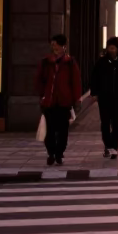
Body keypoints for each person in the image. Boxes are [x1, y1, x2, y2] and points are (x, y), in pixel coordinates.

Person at [34, 34, 82, 167]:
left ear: (63, 46)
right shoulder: (45, 62)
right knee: (49, 130)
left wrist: (76, 99)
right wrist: (42, 95)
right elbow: (39, 81)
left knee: (63, 130)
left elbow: (76, 82)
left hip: (64, 101)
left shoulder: (70, 62)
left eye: (56, 45)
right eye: (52, 45)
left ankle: (59, 153)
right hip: (48, 102)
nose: (54, 47)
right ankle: (51, 153)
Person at [89, 37, 118, 158]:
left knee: (116, 123)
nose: (111, 50)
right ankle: (107, 145)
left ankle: (114, 146)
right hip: (104, 97)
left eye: (113, 48)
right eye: (110, 47)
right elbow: (94, 78)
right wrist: (95, 93)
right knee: (105, 122)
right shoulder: (101, 62)